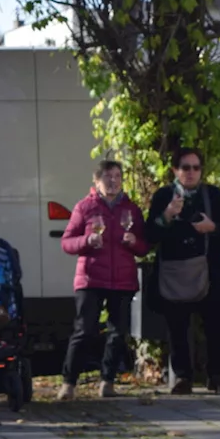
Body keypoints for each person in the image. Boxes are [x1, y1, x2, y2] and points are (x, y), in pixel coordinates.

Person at [145, 148, 220, 395]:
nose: (191, 172)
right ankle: (182, 376)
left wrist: (213, 227)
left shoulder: (213, 196)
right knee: (177, 326)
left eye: (196, 167)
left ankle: (216, 375)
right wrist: (167, 215)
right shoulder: (164, 196)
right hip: (174, 271)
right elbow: (149, 236)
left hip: (210, 270)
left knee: (215, 325)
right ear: (175, 170)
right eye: (185, 167)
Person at [57, 160, 150, 400]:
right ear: (97, 181)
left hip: (122, 280)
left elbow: (143, 247)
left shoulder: (131, 210)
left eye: (117, 176)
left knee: (118, 333)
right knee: (84, 331)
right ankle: (69, 383)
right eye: (108, 177)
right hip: (91, 278)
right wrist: (86, 241)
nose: (113, 181)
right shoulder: (85, 207)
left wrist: (134, 242)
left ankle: (107, 382)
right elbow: (67, 242)